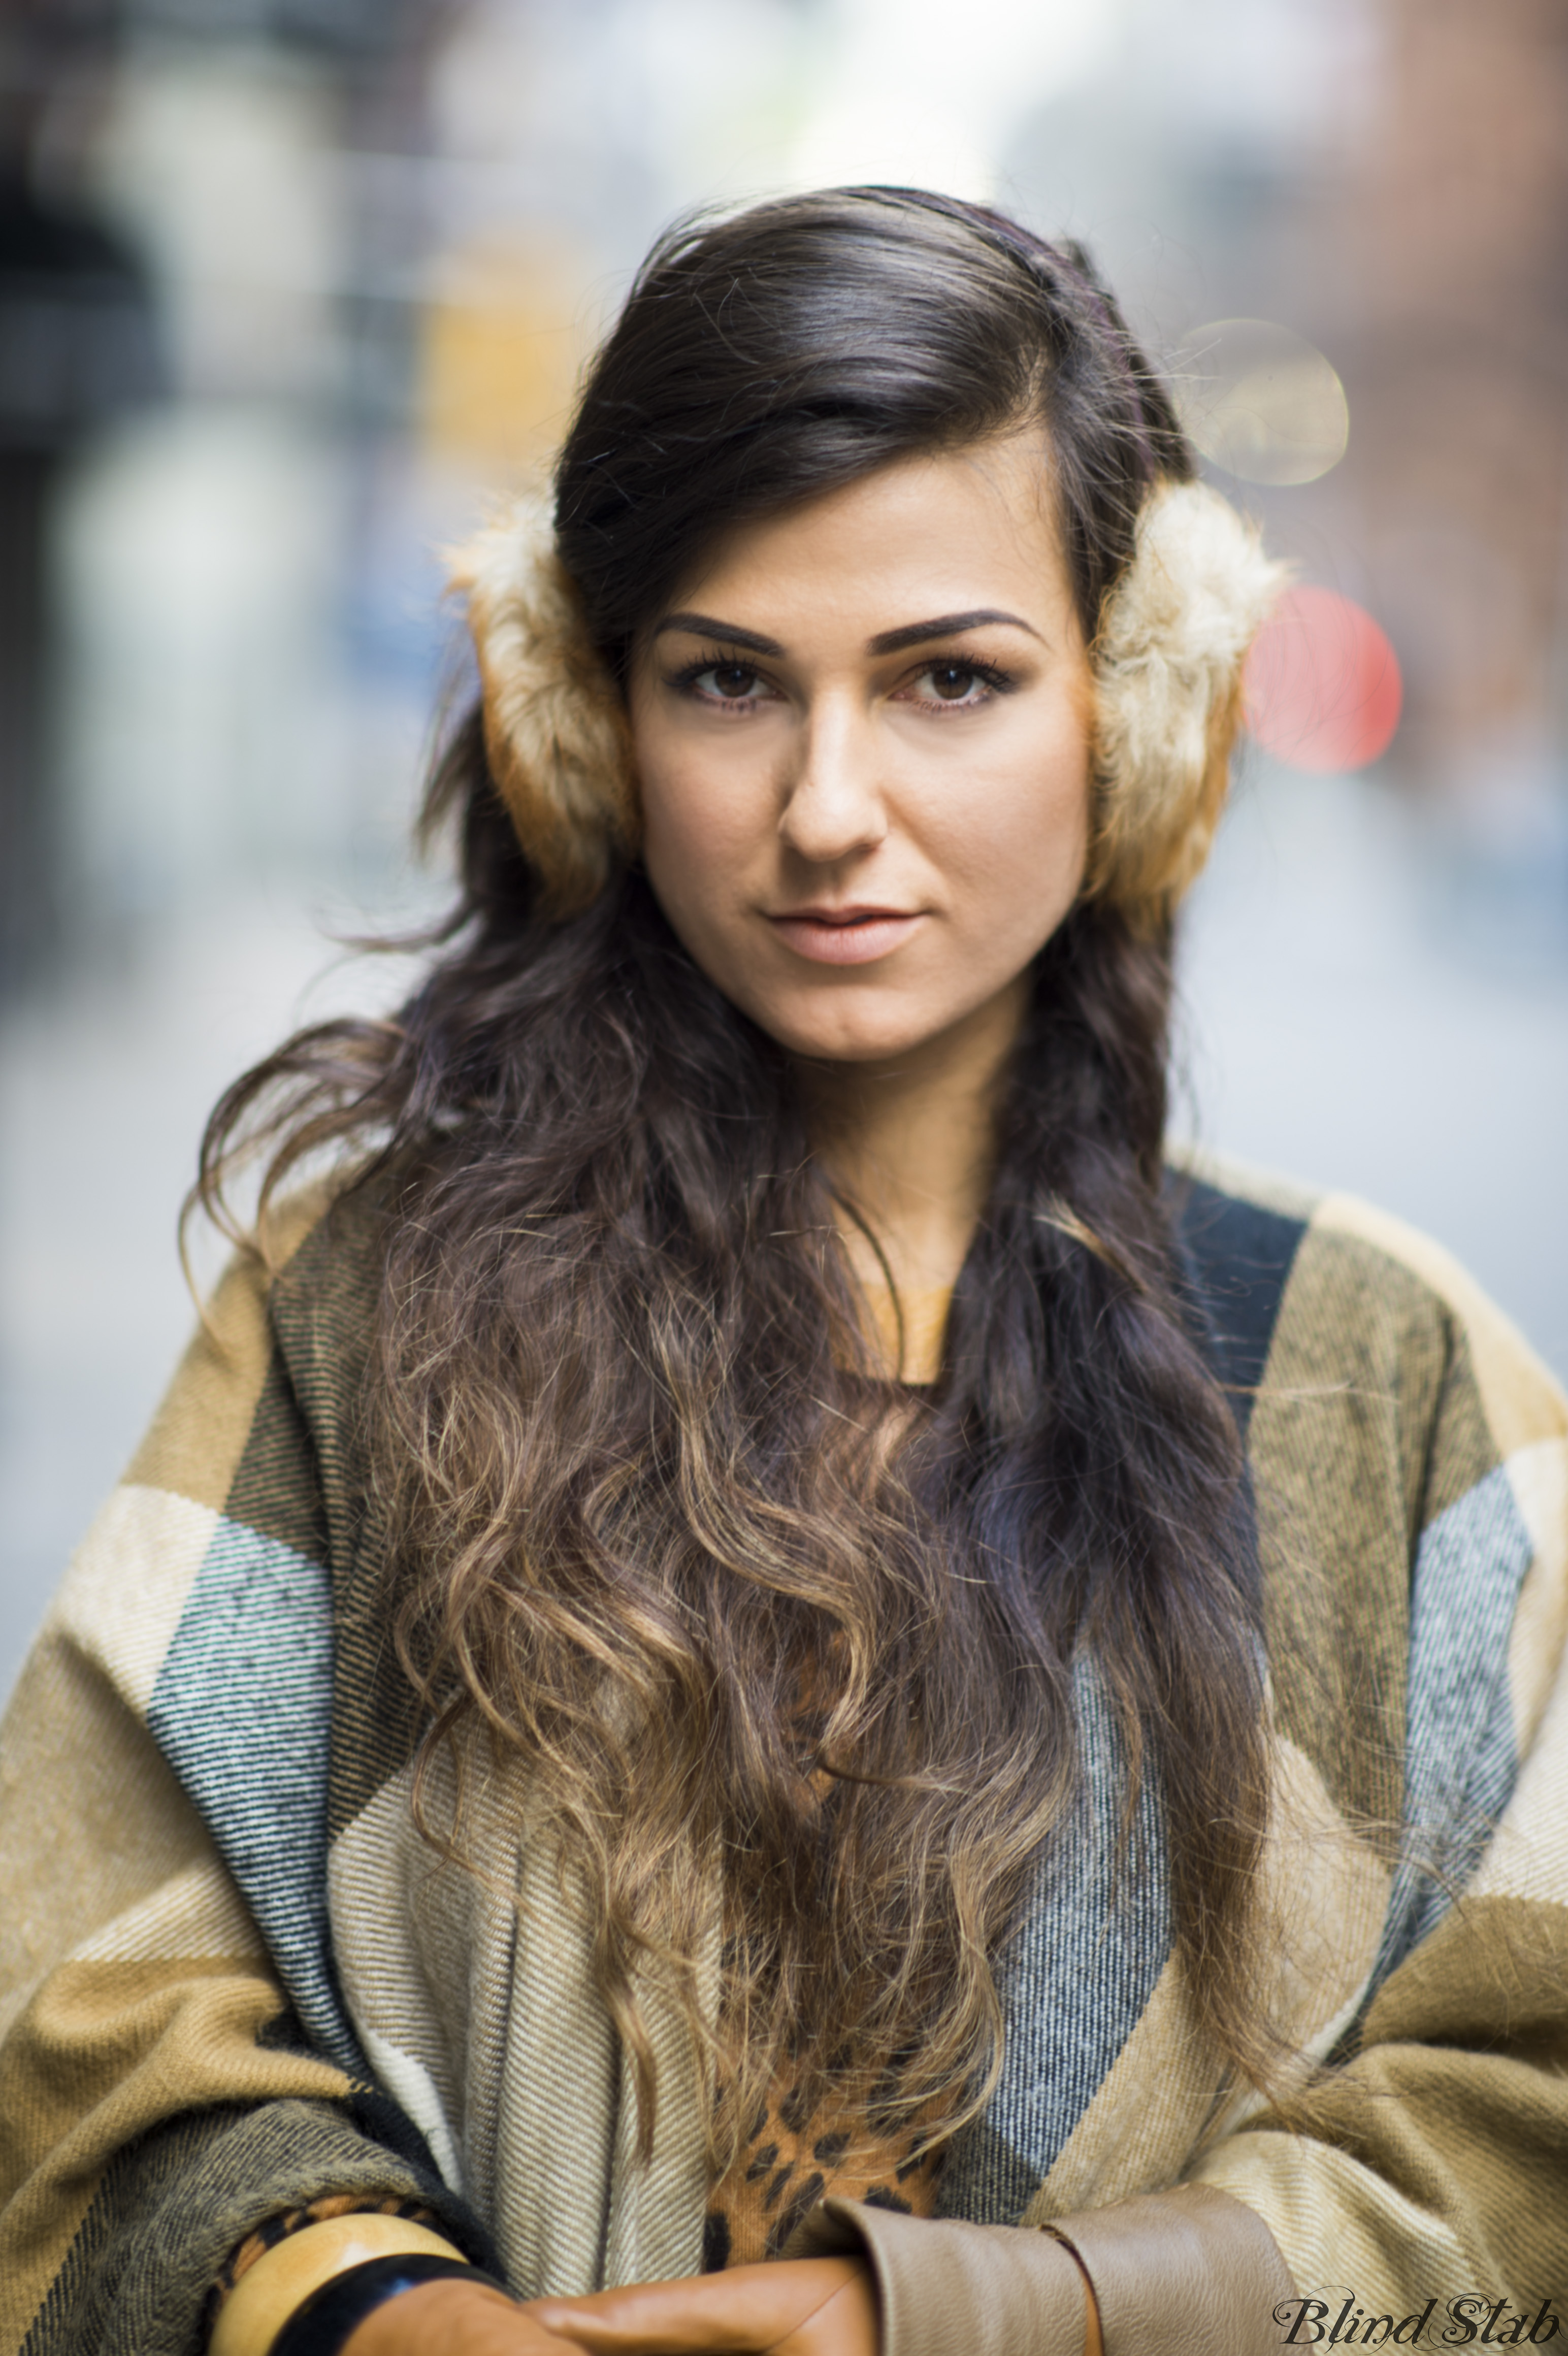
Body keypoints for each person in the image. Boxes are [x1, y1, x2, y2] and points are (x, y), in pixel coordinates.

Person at [2, 187, 1565, 2356]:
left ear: (1131, 709)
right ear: (583, 718)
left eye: (947, 678)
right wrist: (349, 2296)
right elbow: (86, 1981)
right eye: (728, 679)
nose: (829, 806)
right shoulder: (361, 1306)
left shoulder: (1380, 1369)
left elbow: (1525, 2111)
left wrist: (1002, 2313)